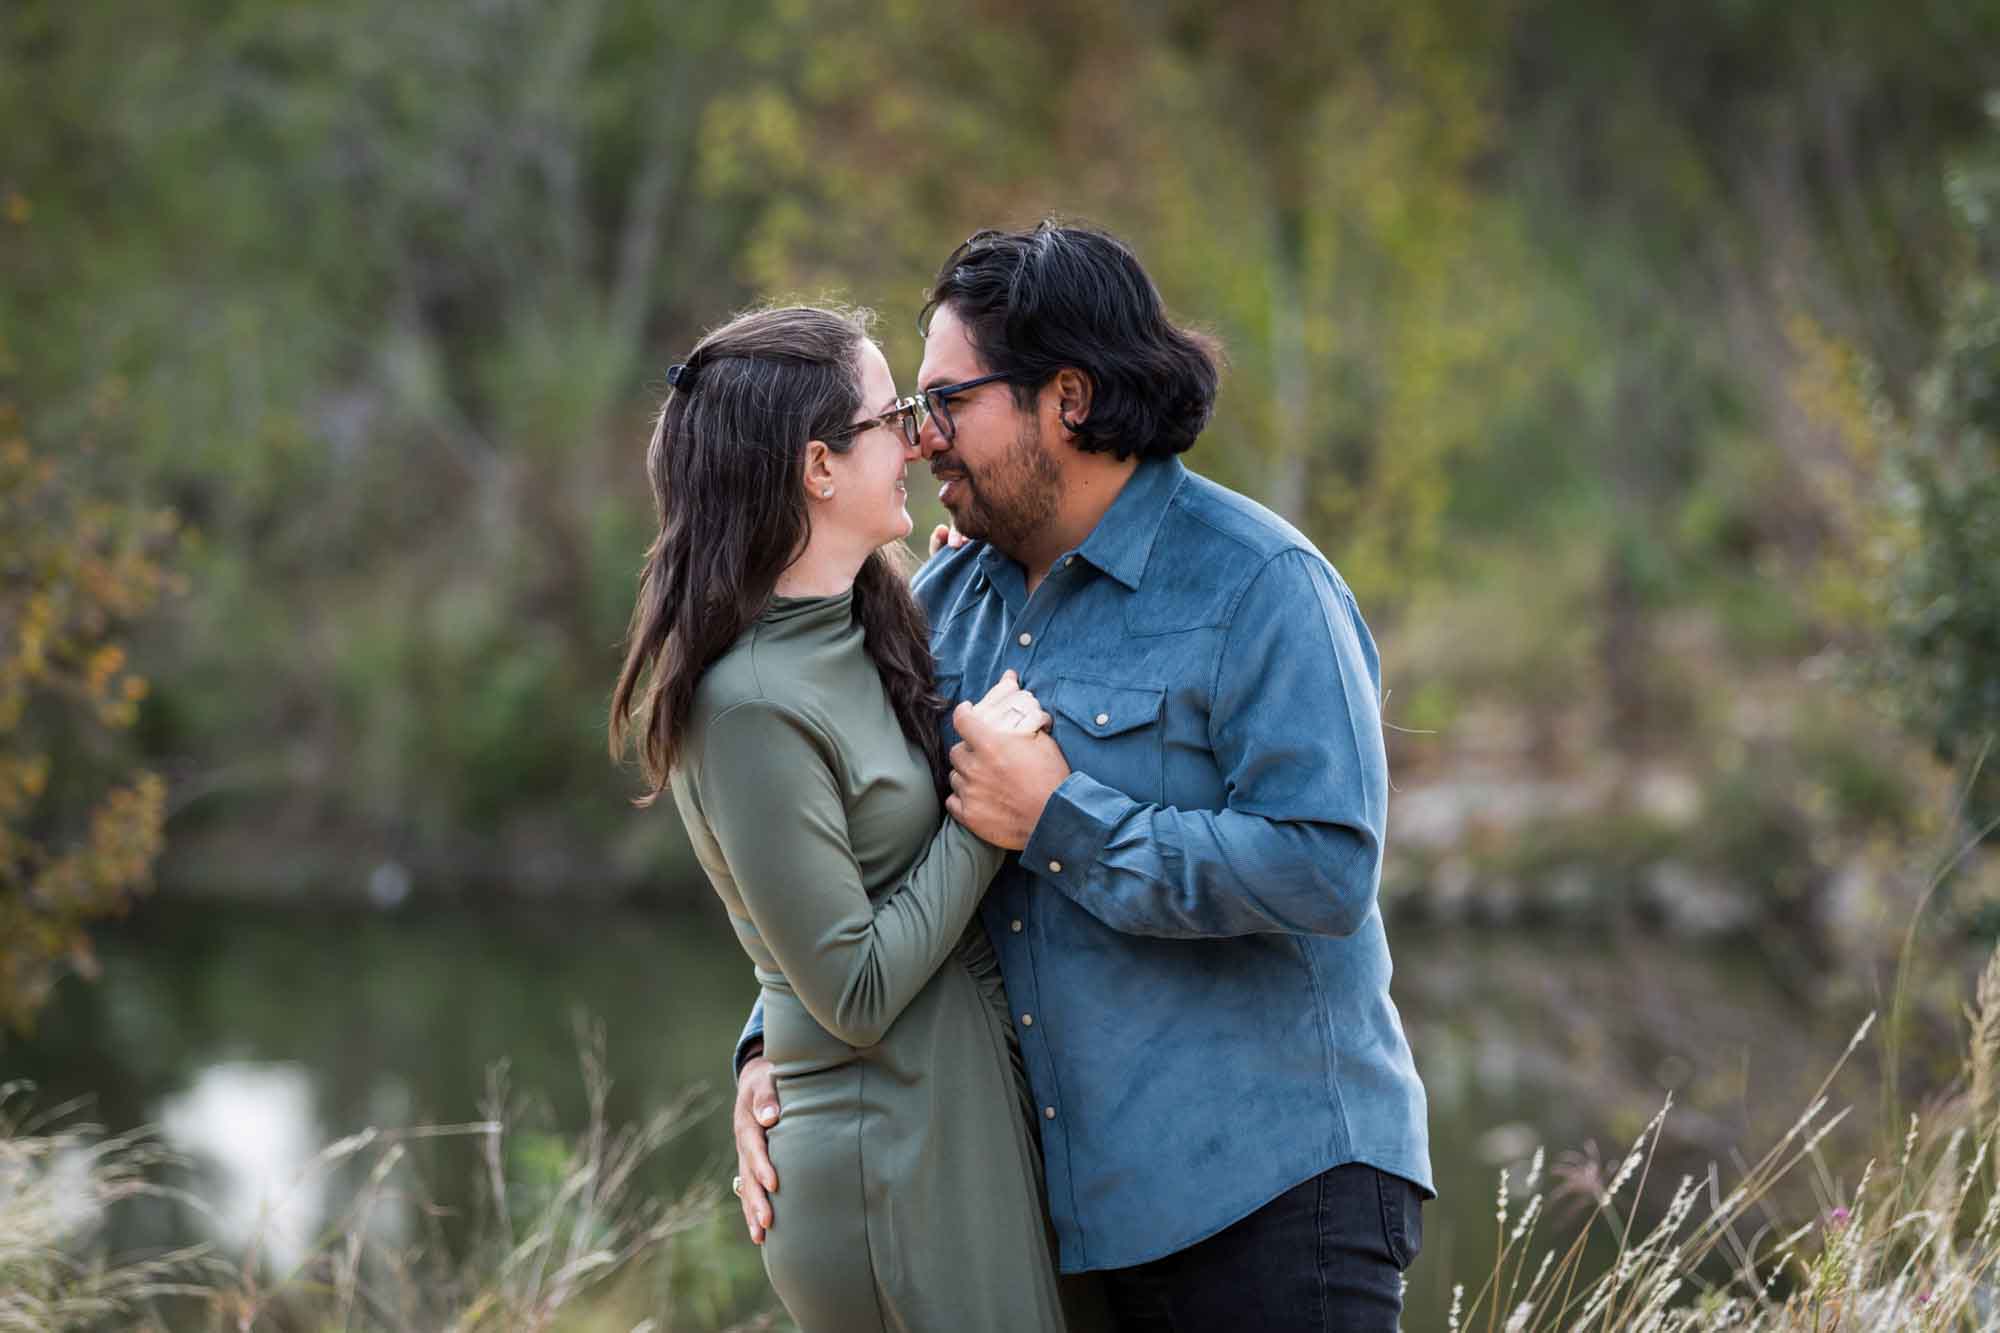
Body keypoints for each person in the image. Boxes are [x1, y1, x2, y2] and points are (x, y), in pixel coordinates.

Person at [732, 225, 1434, 1331]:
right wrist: (774, 1042)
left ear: (1065, 395)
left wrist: (1058, 816)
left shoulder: (1262, 586)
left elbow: (1324, 867)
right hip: (1048, 1221)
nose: (919, 443)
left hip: (1270, 1199)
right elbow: (859, 853)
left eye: (944, 403)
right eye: (911, 413)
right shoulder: (935, 605)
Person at [609, 305, 1090, 1331]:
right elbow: (853, 988)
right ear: (817, 468)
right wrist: (989, 809)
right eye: (894, 417)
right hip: (883, 1160)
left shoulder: (868, 617)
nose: (921, 437)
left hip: (950, 1122)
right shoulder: (745, 707)